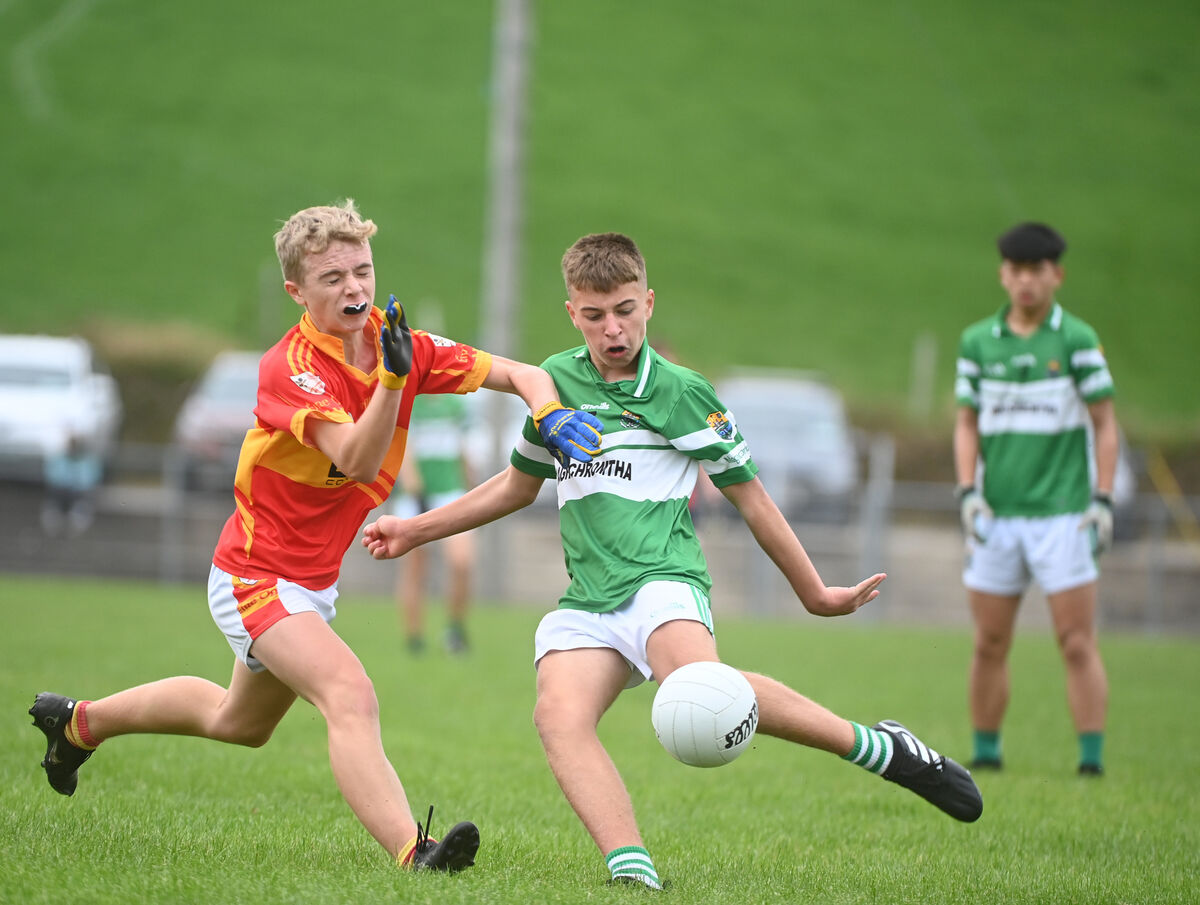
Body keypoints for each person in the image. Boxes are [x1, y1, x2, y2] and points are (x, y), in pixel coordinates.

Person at [363, 232, 983, 890]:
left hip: (665, 582)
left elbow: (756, 501)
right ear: (572, 312)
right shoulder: (557, 384)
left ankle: (877, 746)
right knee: (557, 716)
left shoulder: (685, 392)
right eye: (596, 315)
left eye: (626, 310)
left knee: (699, 684)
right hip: (589, 599)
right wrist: (415, 529)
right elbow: (517, 486)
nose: (613, 329)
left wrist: (815, 592)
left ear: (649, 303)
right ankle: (633, 870)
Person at [28, 200, 603, 873]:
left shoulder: (403, 345)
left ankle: (76, 724)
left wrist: (551, 411)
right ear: (296, 292)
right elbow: (357, 458)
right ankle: (413, 854)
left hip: (310, 581)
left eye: (362, 270)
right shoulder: (291, 366)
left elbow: (523, 373)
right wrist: (391, 380)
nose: (355, 287)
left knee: (237, 722)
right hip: (255, 571)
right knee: (349, 693)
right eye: (332, 278)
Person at [953, 221, 1118, 776]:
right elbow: (966, 423)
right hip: (997, 518)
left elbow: (1106, 424)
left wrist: (1102, 500)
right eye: (1016, 271)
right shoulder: (977, 342)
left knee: (1075, 641)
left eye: (1036, 271)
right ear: (1003, 274)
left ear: (1056, 275)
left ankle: (1090, 761)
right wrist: (969, 491)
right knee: (990, 641)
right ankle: (987, 753)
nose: (1025, 282)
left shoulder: (1077, 341)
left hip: (1064, 517)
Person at [389, 392, 477, 654]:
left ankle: (455, 629)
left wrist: (474, 488)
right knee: (417, 569)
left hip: (451, 492)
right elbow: (404, 452)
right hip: (418, 496)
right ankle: (414, 638)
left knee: (461, 562)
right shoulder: (408, 404)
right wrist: (416, 492)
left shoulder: (455, 404)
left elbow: (462, 447)